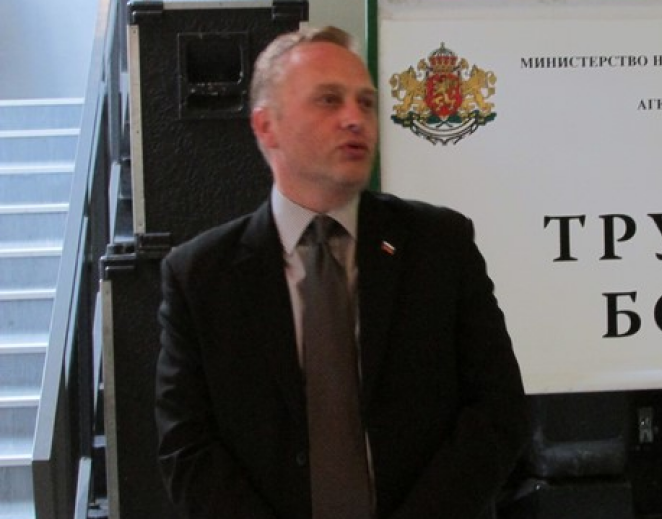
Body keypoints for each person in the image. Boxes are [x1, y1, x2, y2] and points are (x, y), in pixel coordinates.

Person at [154, 26, 529, 519]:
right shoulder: (200, 277)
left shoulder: (440, 245)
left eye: (366, 103)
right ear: (266, 127)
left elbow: (498, 410)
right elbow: (188, 449)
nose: (355, 119)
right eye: (329, 100)